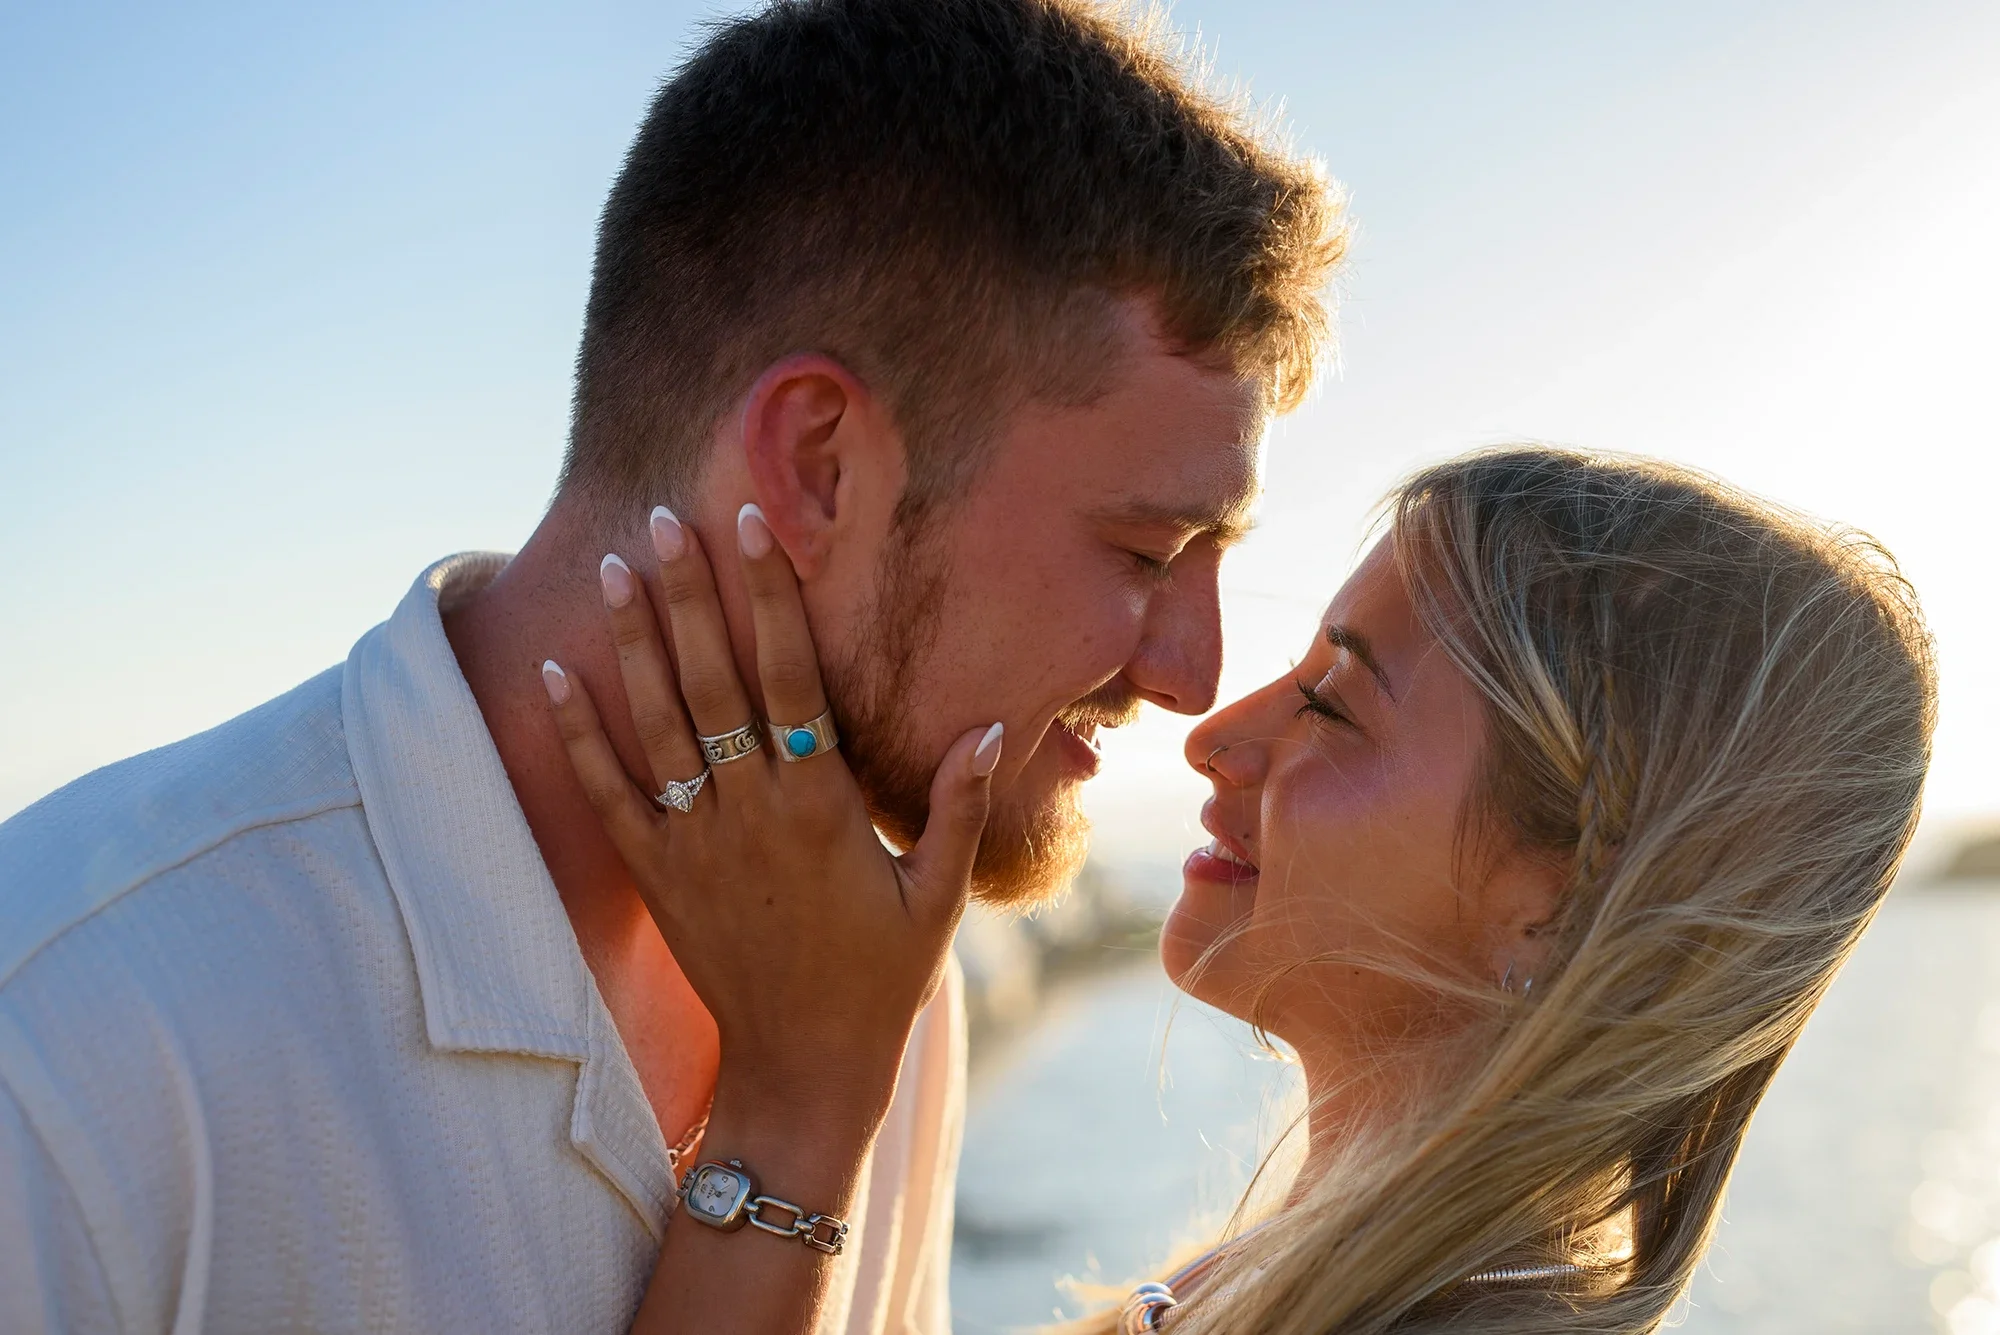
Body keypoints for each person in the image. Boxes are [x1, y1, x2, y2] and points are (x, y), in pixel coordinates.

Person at [0, 2, 1345, 1331]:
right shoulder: (69, 1049)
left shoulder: (875, 961)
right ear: (816, 466)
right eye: (1145, 552)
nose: (1194, 676)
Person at [552, 446, 1935, 1333]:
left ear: (1564, 903)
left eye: (1331, 702)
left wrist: (798, 1104)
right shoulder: (1314, 1282)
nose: (1215, 734)